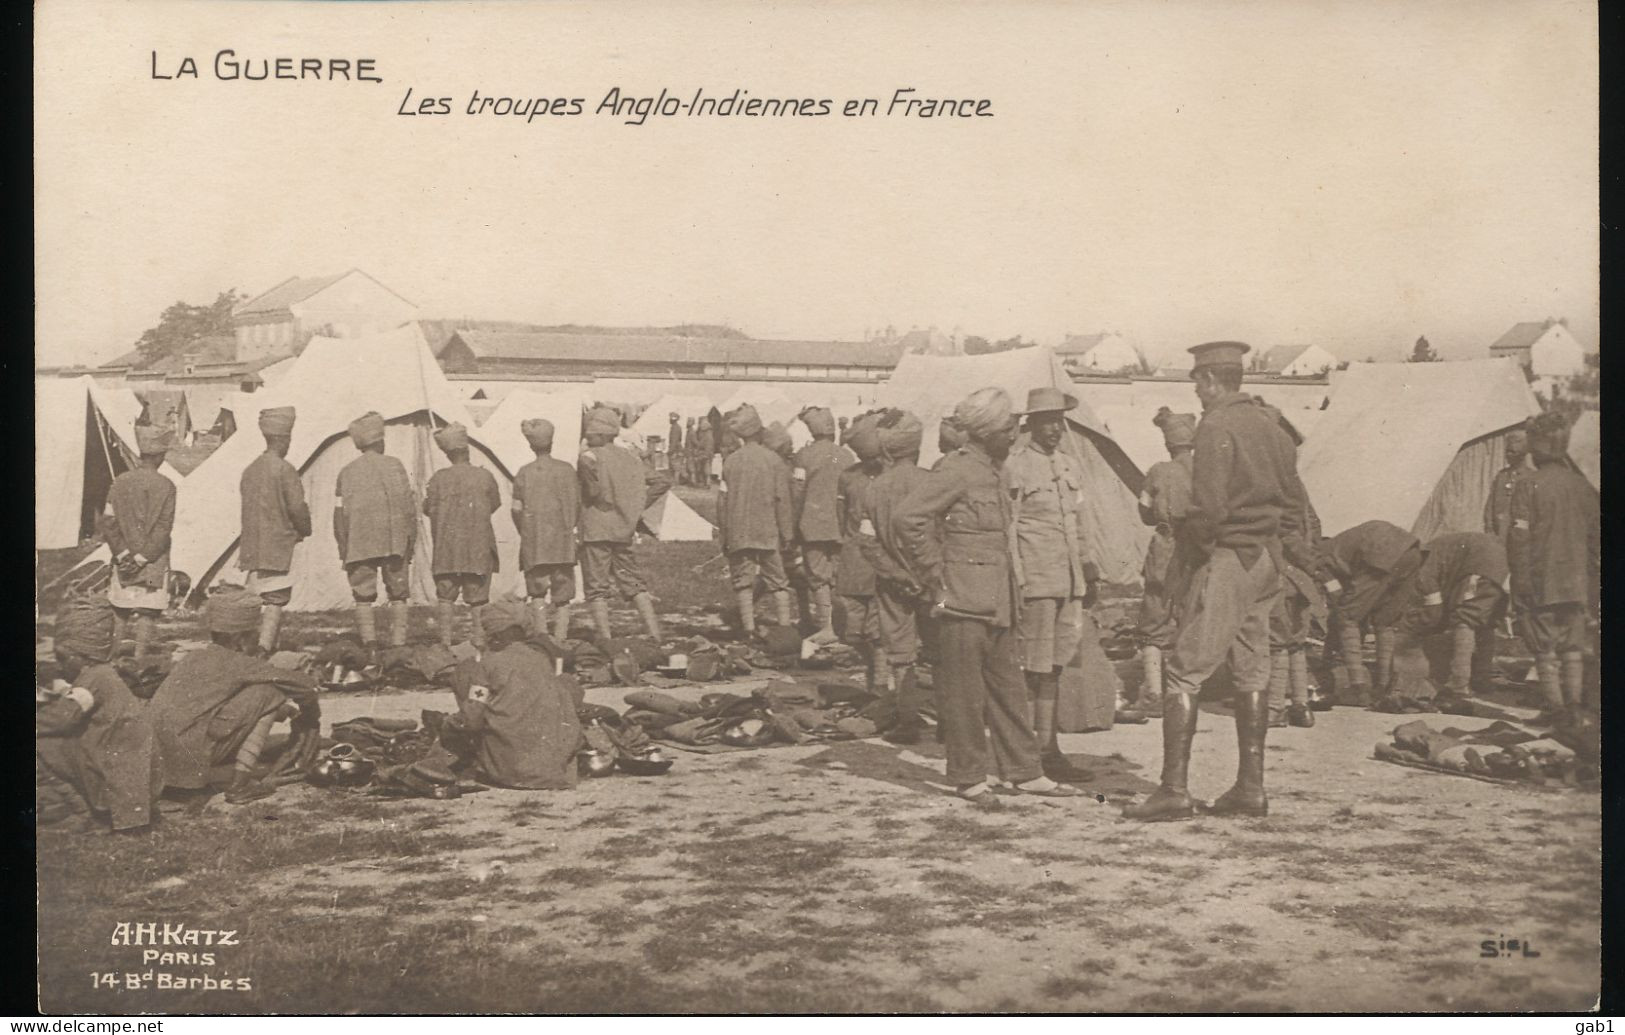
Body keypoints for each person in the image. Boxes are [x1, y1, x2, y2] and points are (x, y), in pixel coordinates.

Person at [1123, 342, 1312, 822]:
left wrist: (1195, 558)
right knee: (1252, 670)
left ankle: (1173, 790)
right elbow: (1294, 504)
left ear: (1209, 379)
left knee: (1184, 669)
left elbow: (1208, 510)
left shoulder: (1216, 426)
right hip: (1266, 560)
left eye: (1197, 382)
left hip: (1228, 557)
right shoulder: (1272, 425)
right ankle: (1250, 789)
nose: (1197, 391)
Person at [893, 388, 1081, 805]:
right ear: (987, 432)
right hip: (957, 600)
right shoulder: (956, 470)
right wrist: (933, 576)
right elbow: (907, 518)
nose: (1014, 434)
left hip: (998, 600)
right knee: (963, 693)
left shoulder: (996, 471)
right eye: (1007, 428)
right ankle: (968, 776)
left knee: (1008, 687)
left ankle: (1024, 771)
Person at [151, 589, 319, 805]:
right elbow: (304, 686)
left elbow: (218, 704)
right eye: (254, 636)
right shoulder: (240, 663)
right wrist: (311, 716)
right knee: (270, 691)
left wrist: (284, 711)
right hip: (187, 758)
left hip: (156, 757)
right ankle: (240, 785)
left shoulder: (193, 657)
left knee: (260, 693)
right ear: (240, 639)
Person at [1005, 387, 1096, 783]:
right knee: (1032, 666)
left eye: (1059, 422)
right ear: (1031, 424)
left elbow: (1079, 523)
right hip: (1036, 580)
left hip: (1068, 580)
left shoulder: (1069, 465)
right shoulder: (1016, 466)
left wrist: (1089, 568)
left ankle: (1050, 747)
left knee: (1056, 665)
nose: (1055, 429)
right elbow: (1009, 528)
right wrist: (1018, 578)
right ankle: (1026, 752)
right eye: (1047, 422)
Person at [35, 594, 163, 833]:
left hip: (114, 786)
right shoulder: (104, 674)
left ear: (80, 655)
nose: (60, 666)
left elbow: (62, 718)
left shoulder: (93, 680)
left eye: (62, 658)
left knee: (42, 744)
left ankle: (73, 812)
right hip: (133, 782)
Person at [1508, 412, 1600, 724]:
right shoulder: (1583, 487)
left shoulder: (1527, 485)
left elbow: (1518, 539)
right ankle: (1573, 709)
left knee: (1545, 650)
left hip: (1541, 581)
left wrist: (1520, 582)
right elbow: (1596, 542)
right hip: (1576, 584)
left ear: (1535, 446)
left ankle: (1555, 710)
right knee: (1572, 648)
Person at [445, 602, 583, 789]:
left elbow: (473, 719)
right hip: (552, 768)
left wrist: (451, 724)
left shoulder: (488, 664)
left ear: (495, 634)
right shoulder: (541, 659)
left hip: (510, 770)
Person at [859, 410, 935, 743]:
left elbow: (867, 542)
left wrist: (896, 573)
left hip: (893, 583)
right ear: (917, 449)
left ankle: (907, 721)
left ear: (887, 451)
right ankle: (949, 721)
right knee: (942, 651)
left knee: (901, 655)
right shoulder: (932, 482)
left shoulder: (874, 490)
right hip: (934, 580)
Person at [1381, 532, 1509, 710]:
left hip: (1480, 566)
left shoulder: (1421, 571)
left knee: (1465, 620)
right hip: (1502, 565)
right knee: (1485, 623)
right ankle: (1482, 679)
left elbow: (1434, 611)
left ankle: (1459, 684)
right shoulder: (1432, 552)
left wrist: (1416, 627)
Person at [1256, 401, 1323, 728]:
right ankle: (1301, 705)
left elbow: (1279, 531)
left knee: (1277, 641)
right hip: (1302, 576)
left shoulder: (1270, 482)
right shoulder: (1296, 482)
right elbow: (1313, 525)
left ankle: (1274, 708)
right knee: (1296, 640)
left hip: (1280, 571)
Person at [334, 411, 418, 654]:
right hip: (394, 542)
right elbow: (408, 508)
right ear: (380, 440)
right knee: (398, 594)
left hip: (359, 544)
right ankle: (399, 646)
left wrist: (343, 546)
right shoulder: (395, 466)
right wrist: (409, 542)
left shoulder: (346, 471)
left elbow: (338, 515)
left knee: (363, 595)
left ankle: (370, 646)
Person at [1314, 519, 1421, 706]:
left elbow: (1343, 607)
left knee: (1347, 617)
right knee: (1384, 621)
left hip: (1381, 554)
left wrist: (1329, 654)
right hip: (1413, 552)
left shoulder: (1320, 560)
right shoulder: (1342, 547)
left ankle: (1358, 689)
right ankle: (1383, 685)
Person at [579, 406, 662, 641]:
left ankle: (606, 639)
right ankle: (655, 635)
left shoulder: (588, 458)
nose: (586, 436)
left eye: (589, 432)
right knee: (634, 583)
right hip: (623, 529)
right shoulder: (630, 457)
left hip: (596, 530)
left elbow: (593, 493)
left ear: (599, 434)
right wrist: (636, 505)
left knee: (597, 589)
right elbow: (661, 482)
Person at [1136, 407, 1197, 719]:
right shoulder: (1205, 470)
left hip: (1164, 548)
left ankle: (1154, 694)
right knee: (1191, 616)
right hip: (1197, 550)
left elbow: (1144, 512)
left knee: (1154, 616)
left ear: (1168, 444)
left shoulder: (1158, 471)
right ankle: (1185, 691)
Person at [238, 406, 310, 654]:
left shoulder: (250, 470)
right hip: (279, 543)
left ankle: (256, 645)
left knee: (259, 597)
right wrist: (305, 528)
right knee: (276, 599)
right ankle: (264, 648)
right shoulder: (284, 469)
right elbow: (297, 508)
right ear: (282, 439)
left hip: (253, 545)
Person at [718, 405, 795, 637]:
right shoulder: (774, 461)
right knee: (778, 581)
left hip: (738, 531)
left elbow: (722, 502)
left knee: (743, 580)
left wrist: (724, 533)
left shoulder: (730, 462)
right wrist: (787, 534)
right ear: (759, 432)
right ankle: (784, 629)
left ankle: (748, 629)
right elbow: (783, 501)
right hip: (767, 530)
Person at [423, 423, 502, 650]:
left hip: (447, 549)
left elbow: (427, 508)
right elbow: (494, 504)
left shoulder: (438, 479)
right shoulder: (484, 476)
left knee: (446, 596)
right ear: (467, 449)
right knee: (478, 598)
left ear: (447, 454)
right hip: (477, 546)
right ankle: (478, 643)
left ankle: (446, 644)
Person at [102, 424, 176, 657]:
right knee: (147, 611)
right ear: (160, 456)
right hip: (153, 560)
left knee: (120, 610)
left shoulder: (119, 482)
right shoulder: (166, 486)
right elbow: (164, 527)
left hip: (122, 557)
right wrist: (143, 558)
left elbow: (108, 521)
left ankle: (112, 658)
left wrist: (124, 553)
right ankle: (139, 660)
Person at [512, 418, 579, 643]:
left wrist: (524, 530)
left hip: (536, 541)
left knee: (537, 591)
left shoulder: (525, 472)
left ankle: (541, 637)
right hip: (563, 541)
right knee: (563, 594)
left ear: (531, 445)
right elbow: (577, 504)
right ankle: (560, 639)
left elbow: (516, 508)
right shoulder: (567, 470)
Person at [794, 406, 857, 644]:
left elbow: (798, 492)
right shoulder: (847, 456)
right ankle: (847, 625)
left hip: (812, 525)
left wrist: (793, 524)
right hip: (841, 524)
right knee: (839, 575)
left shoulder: (804, 456)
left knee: (818, 576)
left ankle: (827, 625)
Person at [835, 412, 887, 693]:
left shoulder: (894, 477)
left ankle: (879, 687)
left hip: (883, 564)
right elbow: (841, 517)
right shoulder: (848, 477)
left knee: (878, 634)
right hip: (855, 561)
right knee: (852, 632)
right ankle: (875, 675)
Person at [1484, 428, 1534, 541]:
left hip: (1520, 539)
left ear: (1522, 454)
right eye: (1507, 451)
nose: (1507, 455)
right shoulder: (1501, 476)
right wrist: (1489, 528)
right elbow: (1490, 505)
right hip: (1497, 535)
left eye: (1512, 452)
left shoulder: (1531, 477)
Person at [692, 416, 714, 487]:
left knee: (704, 469)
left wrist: (700, 452)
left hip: (705, 453)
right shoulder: (708, 433)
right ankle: (706, 483)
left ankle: (706, 483)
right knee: (706, 468)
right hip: (707, 453)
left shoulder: (706, 435)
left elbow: (703, 445)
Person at [667, 412, 685, 485]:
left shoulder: (675, 428)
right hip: (677, 449)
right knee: (676, 467)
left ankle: (676, 483)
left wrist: (670, 451)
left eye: (670, 418)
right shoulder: (676, 427)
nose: (669, 420)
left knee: (675, 468)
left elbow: (674, 441)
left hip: (676, 450)